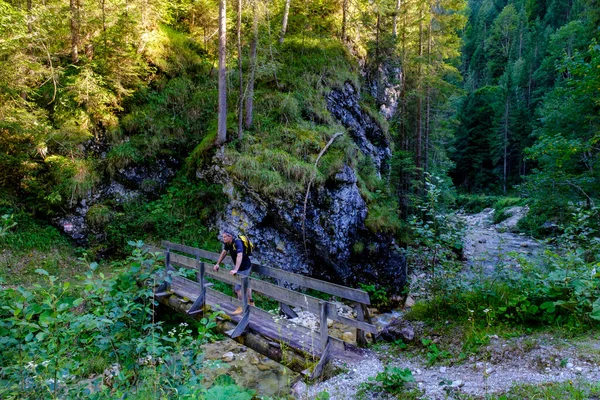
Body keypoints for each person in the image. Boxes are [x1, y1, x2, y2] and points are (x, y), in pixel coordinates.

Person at [213, 230, 254, 315]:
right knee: (247, 284)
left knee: (238, 288)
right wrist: (217, 264)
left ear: (230, 237)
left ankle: (241, 306)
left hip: (245, 267)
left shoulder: (237, 242)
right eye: (223, 237)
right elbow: (224, 252)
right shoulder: (228, 243)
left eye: (225, 237)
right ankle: (251, 302)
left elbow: (240, 255)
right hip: (242, 267)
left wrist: (236, 269)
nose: (223, 238)